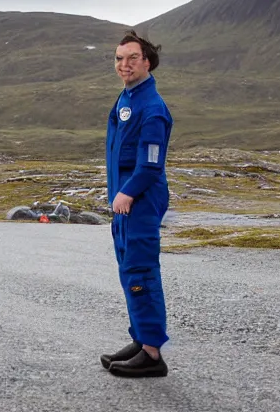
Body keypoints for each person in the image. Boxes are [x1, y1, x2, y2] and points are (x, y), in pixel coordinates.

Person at [100, 29, 173, 378]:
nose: (124, 64)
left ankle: (153, 354)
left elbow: (150, 164)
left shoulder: (152, 108)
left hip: (140, 201)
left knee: (140, 271)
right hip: (124, 202)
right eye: (118, 58)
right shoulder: (126, 99)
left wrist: (127, 194)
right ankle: (141, 339)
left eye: (132, 58)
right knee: (128, 270)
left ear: (147, 62)